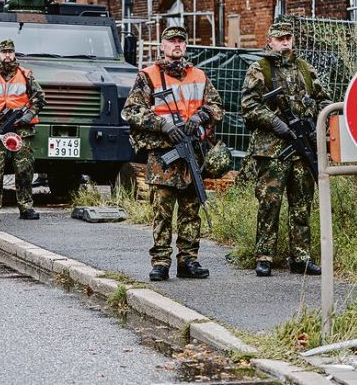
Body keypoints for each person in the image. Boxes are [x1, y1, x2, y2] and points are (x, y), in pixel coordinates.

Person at [121, 26, 224, 282]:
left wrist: (201, 116)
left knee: (191, 210)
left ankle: (188, 260)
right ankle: (161, 262)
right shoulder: (148, 76)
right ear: (162, 46)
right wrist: (163, 125)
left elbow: (217, 106)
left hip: (191, 153)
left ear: (185, 46)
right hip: (163, 154)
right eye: (172, 41)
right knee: (162, 211)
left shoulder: (198, 76)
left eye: (181, 41)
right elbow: (131, 111)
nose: (177, 45)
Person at [241, 21, 332, 277]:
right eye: (279, 38)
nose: (285, 42)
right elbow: (248, 105)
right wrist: (276, 123)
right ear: (269, 40)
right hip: (272, 149)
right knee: (270, 202)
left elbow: (323, 99)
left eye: (288, 38)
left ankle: (301, 257)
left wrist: (312, 115)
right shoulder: (260, 69)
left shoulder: (304, 68)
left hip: (301, 148)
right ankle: (264, 255)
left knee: (302, 203)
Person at [0, 39, 46, 222]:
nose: (7, 55)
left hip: (21, 130)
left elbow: (39, 97)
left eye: (10, 52)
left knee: (24, 170)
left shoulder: (25, 74)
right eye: (4, 52)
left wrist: (29, 115)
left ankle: (26, 207)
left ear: (14, 54)